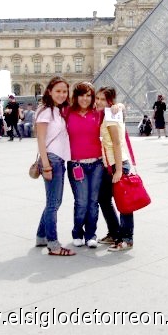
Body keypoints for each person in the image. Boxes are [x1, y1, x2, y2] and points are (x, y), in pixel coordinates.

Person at [35, 77, 74, 255]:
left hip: (59, 159)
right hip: (52, 160)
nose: (61, 94)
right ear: (50, 91)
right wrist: (46, 165)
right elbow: (41, 140)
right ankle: (53, 244)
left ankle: (41, 236)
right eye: (58, 91)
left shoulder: (58, 110)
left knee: (54, 202)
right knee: (53, 203)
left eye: (64, 91)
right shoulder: (45, 112)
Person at [65, 81, 104, 248]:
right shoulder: (67, 112)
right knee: (81, 202)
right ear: (76, 96)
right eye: (82, 95)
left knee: (93, 202)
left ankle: (91, 234)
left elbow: (115, 109)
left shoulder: (99, 114)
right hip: (76, 165)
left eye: (89, 95)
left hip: (96, 164)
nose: (85, 99)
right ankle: (77, 231)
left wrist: (120, 106)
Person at [96, 86, 135, 251]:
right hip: (109, 165)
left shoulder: (110, 114)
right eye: (97, 98)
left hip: (117, 164)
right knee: (104, 199)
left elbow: (117, 143)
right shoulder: (107, 113)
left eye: (103, 99)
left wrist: (119, 170)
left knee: (123, 203)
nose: (98, 102)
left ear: (110, 101)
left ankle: (126, 239)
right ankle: (114, 232)